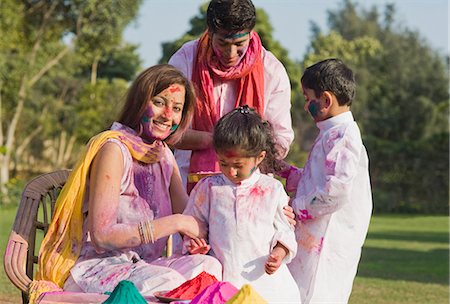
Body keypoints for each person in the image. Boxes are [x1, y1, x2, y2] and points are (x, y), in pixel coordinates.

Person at [29, 64, 222, 303]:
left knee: (208, 267)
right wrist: (176, 223)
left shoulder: (163, 155)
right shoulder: (113, 149)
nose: (167, 115)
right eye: (160, 102)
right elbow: (103, 236)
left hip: (144, 266)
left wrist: (195, 240)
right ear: (139, 102)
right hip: (98, 270)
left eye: (177, 108)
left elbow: (189, 217)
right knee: (168, 284)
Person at [168, 0, 294, 192]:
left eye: (239, 44)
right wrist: (215, 140)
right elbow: (168, 128)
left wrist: (243, 150)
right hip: (189, 188)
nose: (231, 53)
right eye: (223, 43)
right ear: (209, 33)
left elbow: (281, 140)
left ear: (251, 34)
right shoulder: (184, 61)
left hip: (250, 192)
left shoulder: (272, 71)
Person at [183, 106, 301, 303]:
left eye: (238, 166)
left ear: (259, 157)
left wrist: (279, 253)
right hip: (222, 277)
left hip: (263, 280)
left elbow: (285, 230)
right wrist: (195, 243)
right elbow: (194, 224)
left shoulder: (272, 189)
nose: (231, 172)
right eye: (223, 163)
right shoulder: (209, 188)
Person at [284, 58, 373, 303]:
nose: (305, 106)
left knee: (317, 295)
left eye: (307, 97)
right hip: (314, 237)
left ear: (325, 100)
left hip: (328, 242)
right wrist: (288, 172)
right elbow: (317, 182)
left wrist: (295, 208)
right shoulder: (331, 135)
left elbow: (334, 193)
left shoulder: (343, 138)